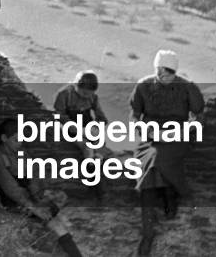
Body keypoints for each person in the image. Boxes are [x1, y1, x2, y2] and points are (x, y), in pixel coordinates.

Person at [128, 49, 205, 256]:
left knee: (159, 159)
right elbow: (135, 116)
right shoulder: (143, 85)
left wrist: (184, 130)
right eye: (159, 71)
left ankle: (169, 196)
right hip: (150, 137)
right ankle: (148, 228)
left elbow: (197, 115)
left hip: (177, 136)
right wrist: (145, 130)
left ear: (175, 72)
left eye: (168, 72)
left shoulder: (187, 87)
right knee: (150, 160)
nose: (163, 75)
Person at [0, 119, 84, 257]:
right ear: (4, 138)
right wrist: (33, 207)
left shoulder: (22, 152)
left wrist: (38, 196)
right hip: (14, 201)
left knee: (54, 213)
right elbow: (11, 189)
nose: (20, 143)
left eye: (21, 139)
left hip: (30, 195)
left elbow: (34, 174)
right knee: (56, 225)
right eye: (16, 140)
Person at [53, 70, 109, 199]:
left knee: (100, 151)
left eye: (88, 94)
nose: (85, 97)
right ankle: (95, 185)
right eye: (83, 93)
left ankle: (98, 184)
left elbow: (102, 118)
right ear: (77, 85)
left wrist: (96, 127)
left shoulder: (93, 97)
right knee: (87, 148)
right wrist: (74, 127)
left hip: (87, 127)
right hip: (69, 128)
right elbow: (58, 115)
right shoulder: (64, 94)